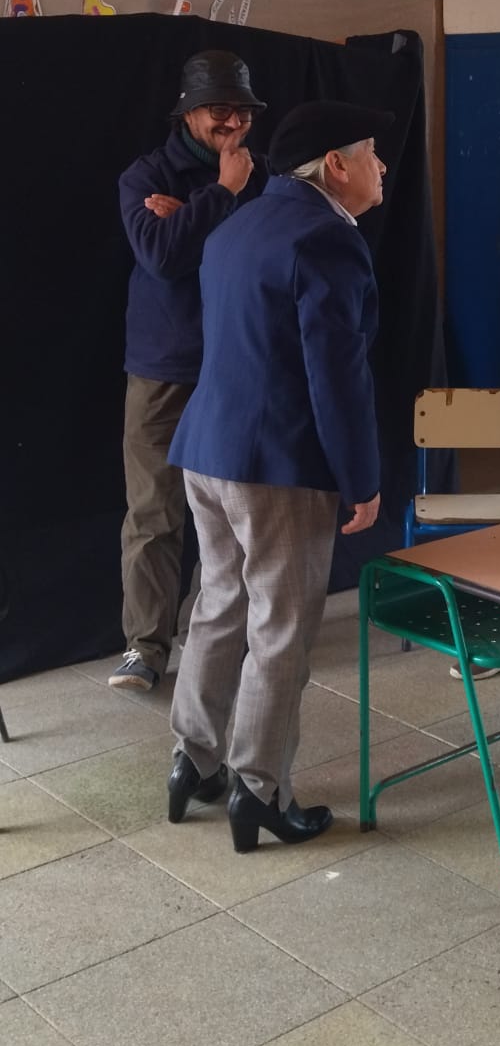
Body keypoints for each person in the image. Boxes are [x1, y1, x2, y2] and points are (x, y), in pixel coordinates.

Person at [165, 100, 389, 849]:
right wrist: (360, 477)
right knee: (281, 624)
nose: (382, 167)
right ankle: (258, 790)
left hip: (207, 448)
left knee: (220, 603)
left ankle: (192, 760)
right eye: (371, 153)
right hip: (277, 464)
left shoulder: (238, 225)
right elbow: (338, 378)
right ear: (336, 165)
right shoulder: (327, 240)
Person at [110, 51, 268, 692]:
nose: (232, 122)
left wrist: (196, 215)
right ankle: (145, 648)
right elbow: (162, 258)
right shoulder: (143, 176)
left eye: (242, 110)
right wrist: (223, 196)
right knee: (154, 513)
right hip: (161, 366)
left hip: (237, 360)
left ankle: (217, 637)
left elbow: (266, 254)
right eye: (218, 110)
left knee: (233, 514)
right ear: (189, 113)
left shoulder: (265, 176)